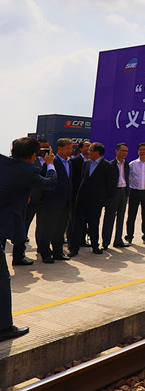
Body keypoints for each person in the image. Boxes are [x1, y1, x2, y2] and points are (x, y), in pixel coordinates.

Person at [0, 137, 56, 341]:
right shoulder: (28, 171)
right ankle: (4, 327)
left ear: (11, 150)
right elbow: (50, 183)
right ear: (34, 157)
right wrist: (50, 164)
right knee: (2, 279)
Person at [69, 143, 115, 256]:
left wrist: (105, 201)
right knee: (77, 224)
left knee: (94, 224)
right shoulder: (86, 163)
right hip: (81, 200)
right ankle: (74, 248)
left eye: (90, 150)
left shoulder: (107, 166)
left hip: (96, 201)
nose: (88, 152)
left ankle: (95, 246)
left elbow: (110, 186)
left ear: (97, 152)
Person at [12, 139, 50, 266]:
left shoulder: (51, 162)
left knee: (43, 227)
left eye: (47, 148)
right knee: (23, 228)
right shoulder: (30, 162)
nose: (44, 151)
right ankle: (19, 255)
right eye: (42, 149)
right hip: (30, 200)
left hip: (44, 200)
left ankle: (43, 248)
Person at [36, 139, 73, 263]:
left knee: (60, 229)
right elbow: (43, 179)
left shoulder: (69, 162)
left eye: (71, 148)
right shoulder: (52, 162)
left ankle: (58, 252)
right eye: (67, 148)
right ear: (60, 148)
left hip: (65, 202)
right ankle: (45, 253)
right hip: (52, 202)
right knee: (48, 229)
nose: (70, 150)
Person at [102, 143, 130, 249]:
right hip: (113, 193)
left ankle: (118, 240)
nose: (124, 153)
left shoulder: (127, 164)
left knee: (121, 217)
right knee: (109, 218)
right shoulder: (110, 165)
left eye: (126, 151)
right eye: (122, 151)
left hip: (123, 192)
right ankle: (105, 242)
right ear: (116, 151)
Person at [69, 141, 92, 247]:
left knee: (86, 219)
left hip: (89, 195)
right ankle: (72, 241)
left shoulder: (93, 161)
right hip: (76, 194)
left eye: (90, 146)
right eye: (87, 146)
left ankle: (83, 240)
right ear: (81, 149)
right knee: (74, 219)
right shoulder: (74, 161)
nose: (89, 148)